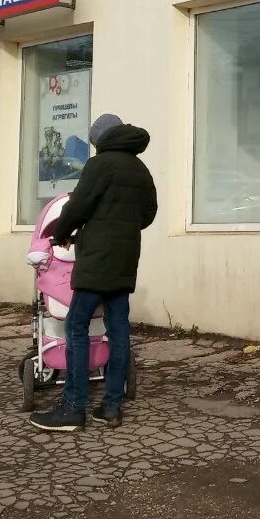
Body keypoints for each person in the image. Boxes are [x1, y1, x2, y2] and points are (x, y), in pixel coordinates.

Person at [30, 113, 157, 432]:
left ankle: (73, 408)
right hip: (125, 260)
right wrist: (122, 225)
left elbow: (78, 206)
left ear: (99, 140)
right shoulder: (140, 168)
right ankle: (111, 407)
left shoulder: (99, 165)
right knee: (118, 330)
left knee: (76, 325)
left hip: (97, 260)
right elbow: (148, 214)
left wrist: (61, 233)